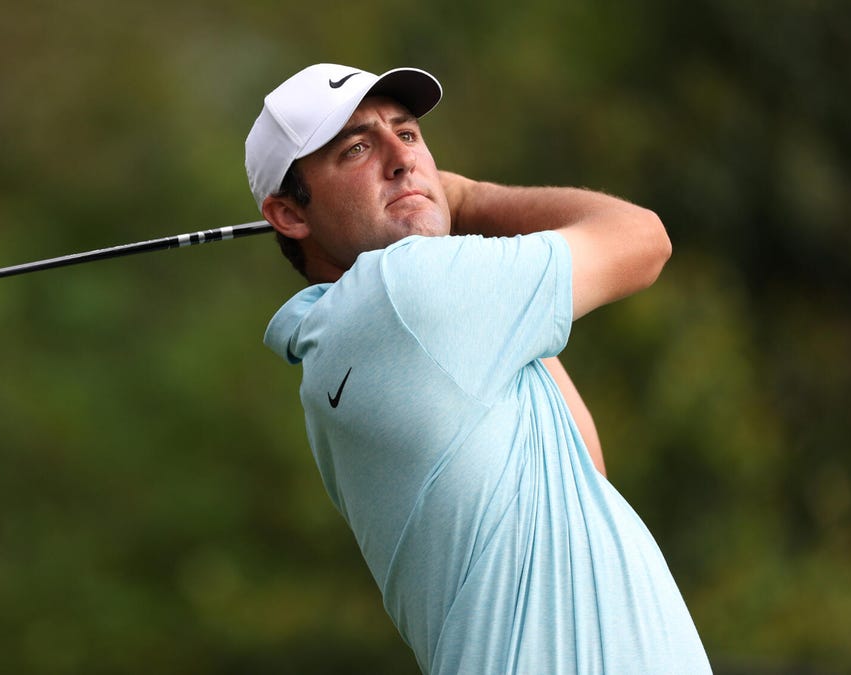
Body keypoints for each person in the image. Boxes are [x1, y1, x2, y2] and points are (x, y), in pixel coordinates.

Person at [246, 63, 712, 673]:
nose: (402, 159)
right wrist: (464, 198)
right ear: (288, 214)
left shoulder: (349, 338)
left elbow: (585, 465)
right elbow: (643, 240)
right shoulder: (405, 291)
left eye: (407, 134)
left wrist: (438, 218)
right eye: (357, 148)